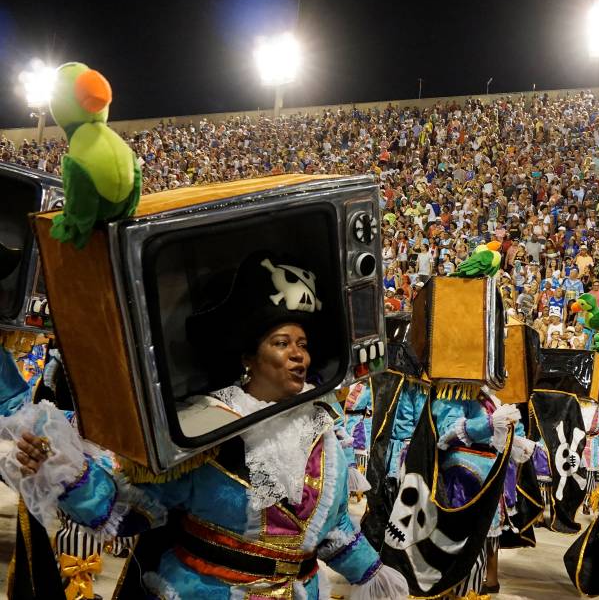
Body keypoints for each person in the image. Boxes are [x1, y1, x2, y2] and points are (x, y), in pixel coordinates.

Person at [8, 251, 408, 600]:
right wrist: (62, 470)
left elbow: (334, 529)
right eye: (282, 343)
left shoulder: (321, 428)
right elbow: (130, 507)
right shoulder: (202, 428)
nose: (297, 355)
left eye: (302, 344)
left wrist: (374, 578)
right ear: (249, 357)